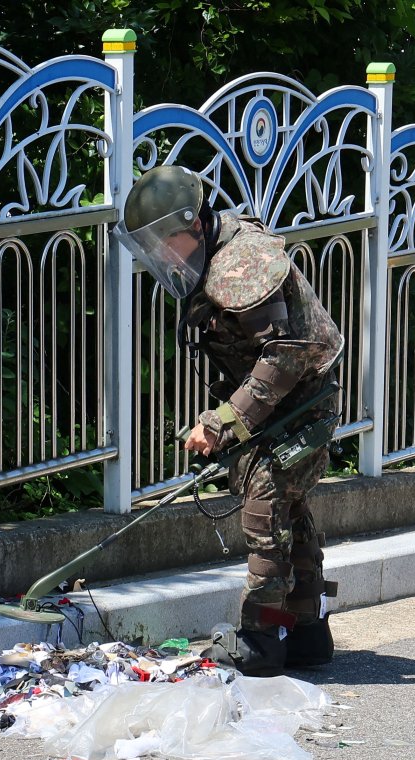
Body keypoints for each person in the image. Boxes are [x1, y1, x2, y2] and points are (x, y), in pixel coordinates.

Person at [114, 165, 343, 676]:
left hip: (302, 403)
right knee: (290, 512)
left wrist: (221, 423)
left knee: (265, 514)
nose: (162, 254)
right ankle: (308, 632)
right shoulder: (212, 255)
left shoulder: (241, 262)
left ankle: (260, 640)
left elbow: (283, 357)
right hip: (284, 405)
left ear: (193, 225)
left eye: (164, 240)